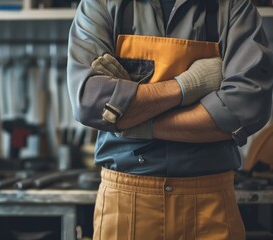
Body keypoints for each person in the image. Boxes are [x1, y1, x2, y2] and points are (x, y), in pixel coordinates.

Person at [67, 0, 273, 239]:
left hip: (210, 205)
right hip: (125, 203)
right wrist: (187, 86)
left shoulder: (234, 6)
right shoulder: (101, 3)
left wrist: (134, 117)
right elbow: (89, 102)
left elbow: (244, 106)